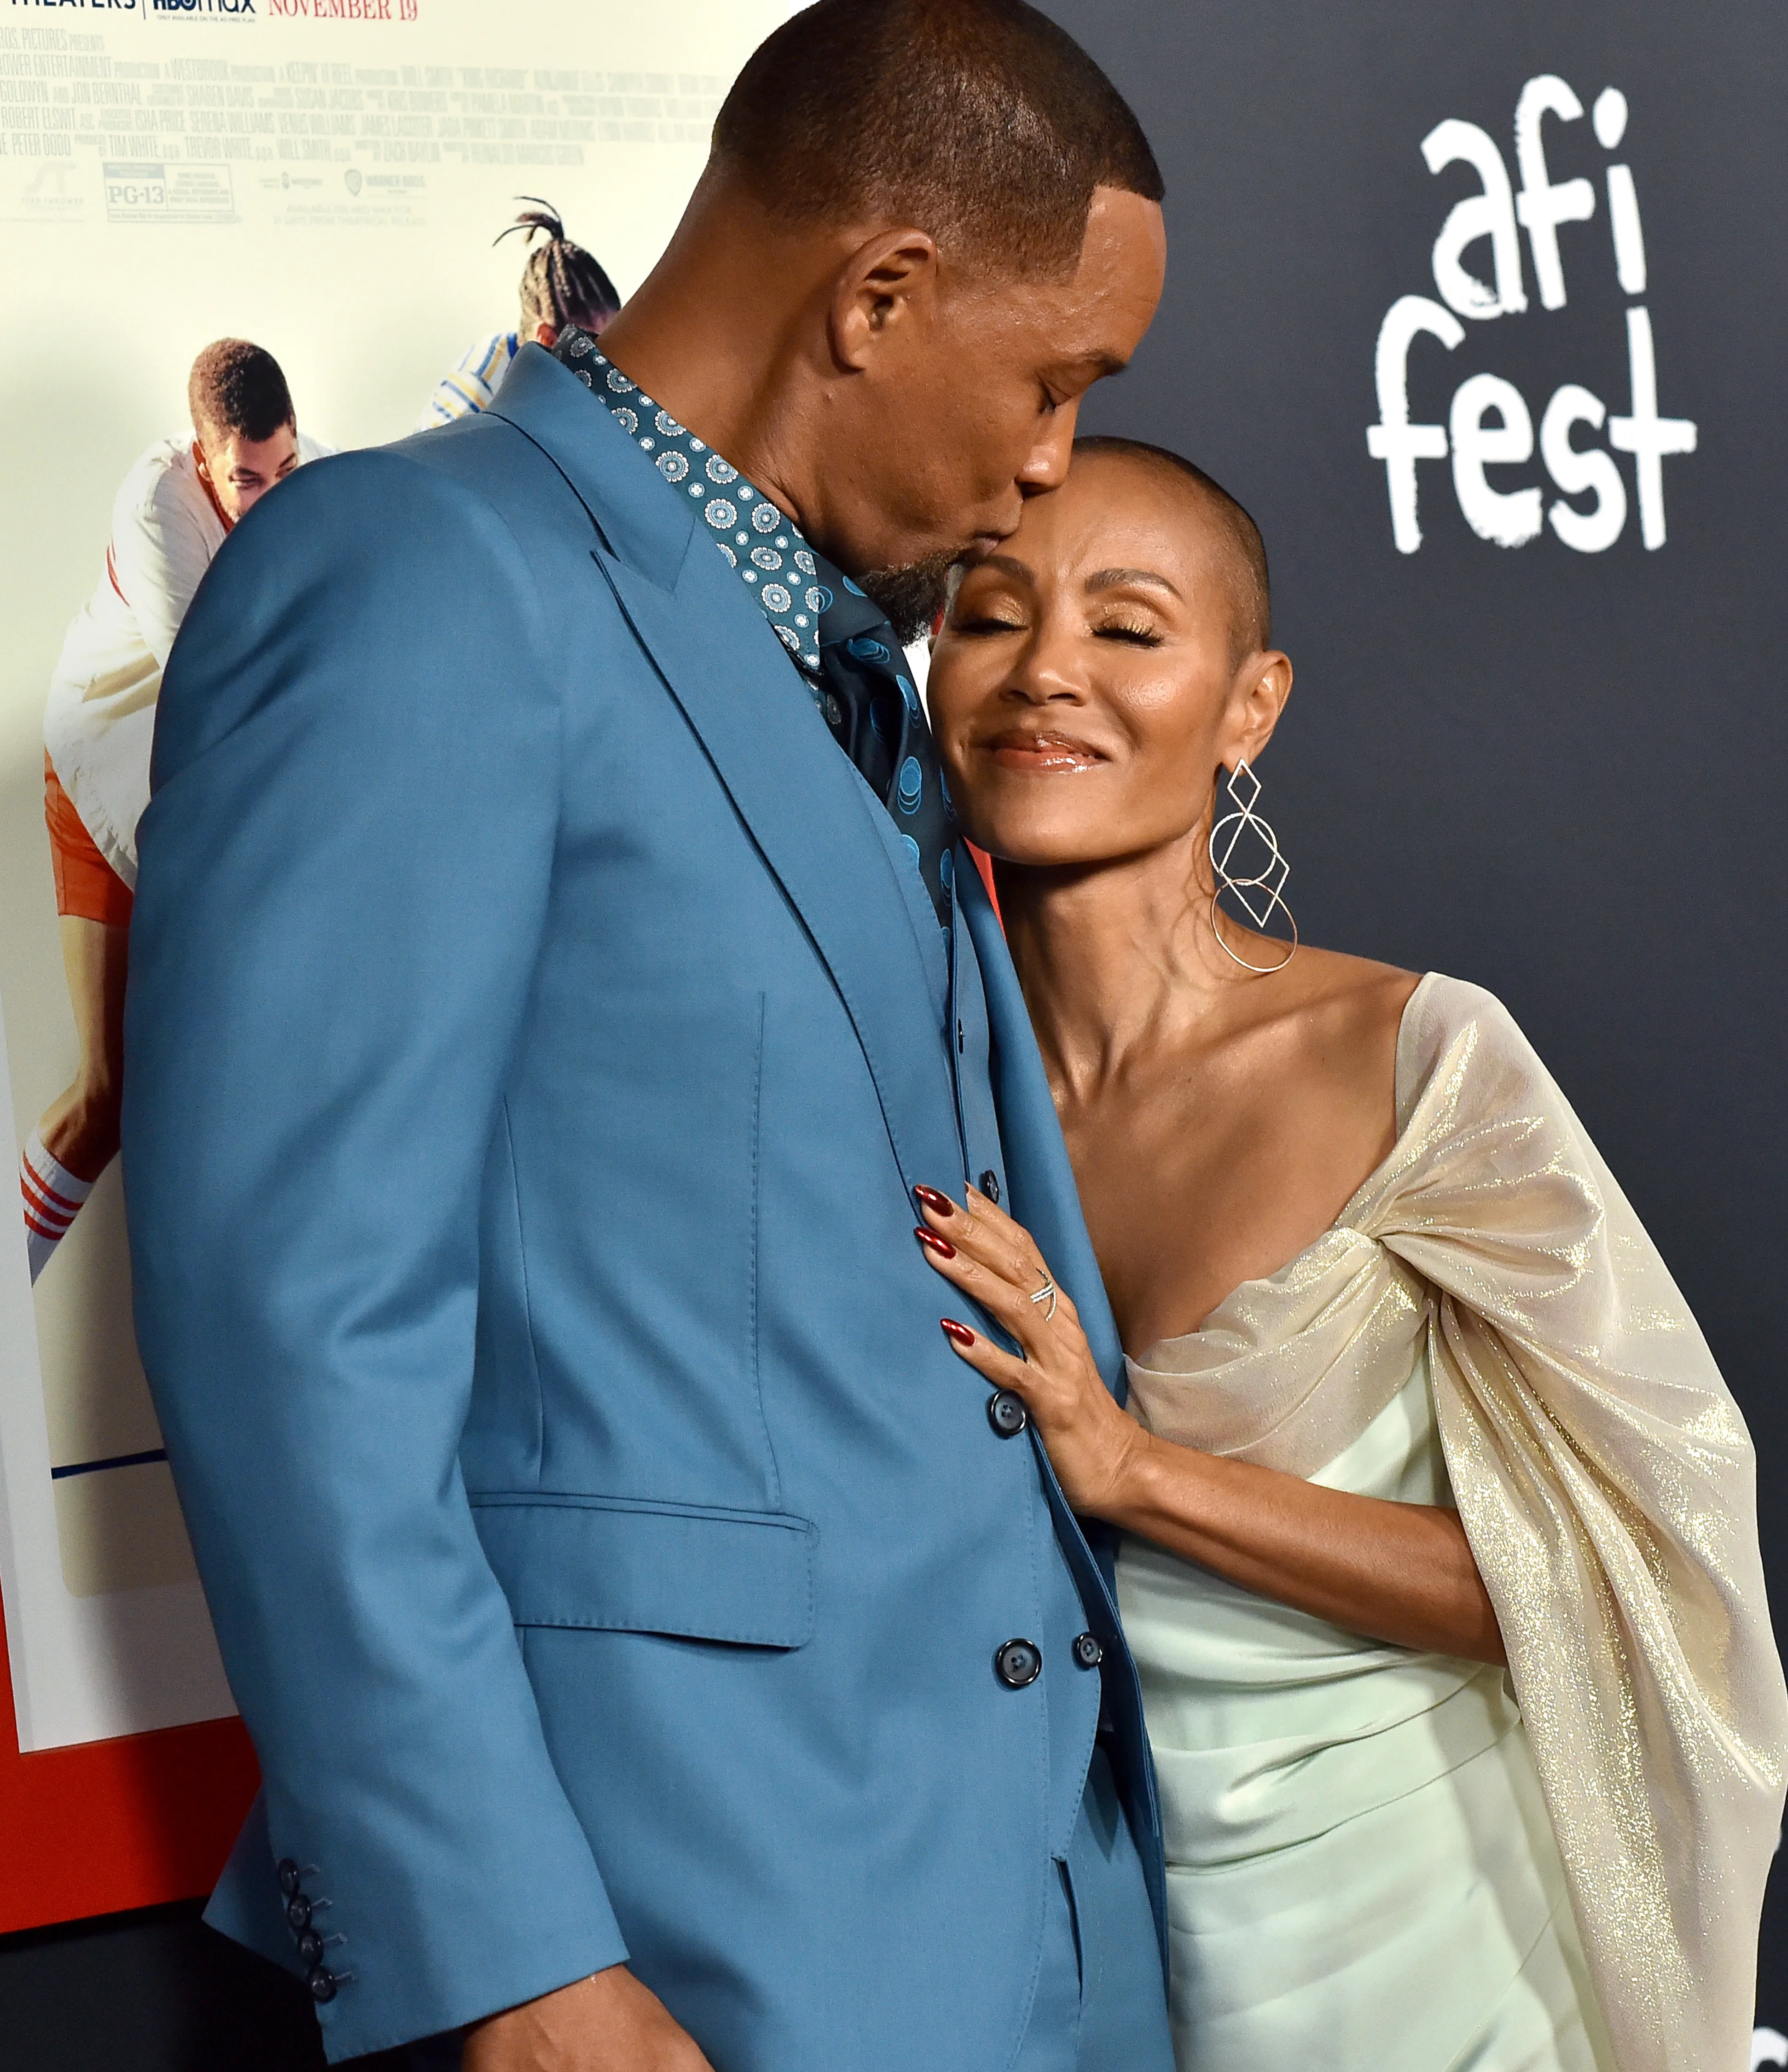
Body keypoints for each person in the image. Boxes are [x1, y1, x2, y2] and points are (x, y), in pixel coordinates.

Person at [122, 6, 1169, 2068]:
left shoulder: (849, 645)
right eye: (1054, 381)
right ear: (878, 296)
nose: (1051, 461)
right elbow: (295, 1318)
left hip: (1031, 1917)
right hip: (681, 1933)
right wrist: (501, 1955)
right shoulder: (415, 575)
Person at [917, 436, 1788, 2072]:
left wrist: (1137, 1471)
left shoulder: (1413, 1064)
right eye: (989, 616)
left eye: (1124, 626)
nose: (1045, 672)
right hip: (1068, 1962)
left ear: (1248, 706)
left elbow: (1605, 1573)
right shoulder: (911, 1092)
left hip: (1431, 1951)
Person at [24, 340, 326, 1282]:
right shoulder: (155, 504)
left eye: (285, 471)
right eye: (245, 480)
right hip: (105, 767)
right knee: (106, 1097)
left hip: (204, 787)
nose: (269, 498)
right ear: (202, 456)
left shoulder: (307, 476)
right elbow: (220, 695)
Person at [418, 200, 621, 428]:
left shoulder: (550, 381)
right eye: (593, 350)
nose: (606, 367)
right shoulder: (475, 395)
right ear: (547, 340)